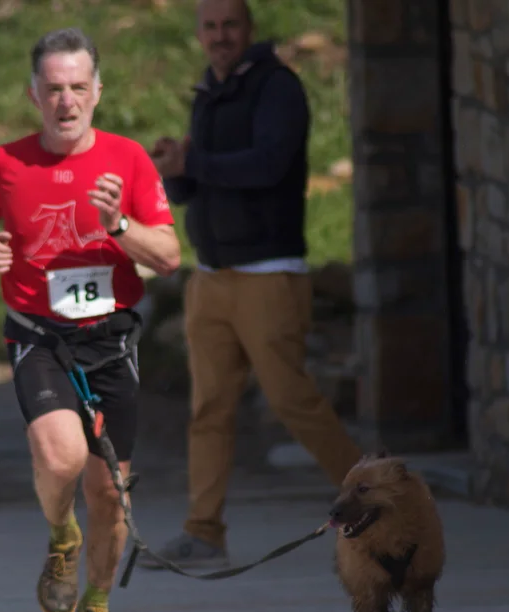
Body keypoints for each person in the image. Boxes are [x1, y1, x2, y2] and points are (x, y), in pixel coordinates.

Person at [0, 27, 181, 612]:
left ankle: (97, 610)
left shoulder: (128, 160)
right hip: (38, 336)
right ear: (34, 94)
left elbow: (168, 256)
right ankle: (62, 536)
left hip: (109, 341)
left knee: (111, 491)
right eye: (54, 89)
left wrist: (119, 225)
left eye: (78, 87)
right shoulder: (6, 164)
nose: (66, 101)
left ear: (97, 91)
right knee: (61, 458)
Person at [140, 0, 363, 570]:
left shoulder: (277, 88)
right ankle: (203, 532)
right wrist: (176, 168)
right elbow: (199, 183)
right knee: (208, 410)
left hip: (269, 274)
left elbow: (268, 166)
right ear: (199, 33)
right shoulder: (209, 94)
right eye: (210, 27)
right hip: (211, 278)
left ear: (249, 30)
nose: (220, 36)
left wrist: (195, 162)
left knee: (292, 400)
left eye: (230, 25)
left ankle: (380, 504)